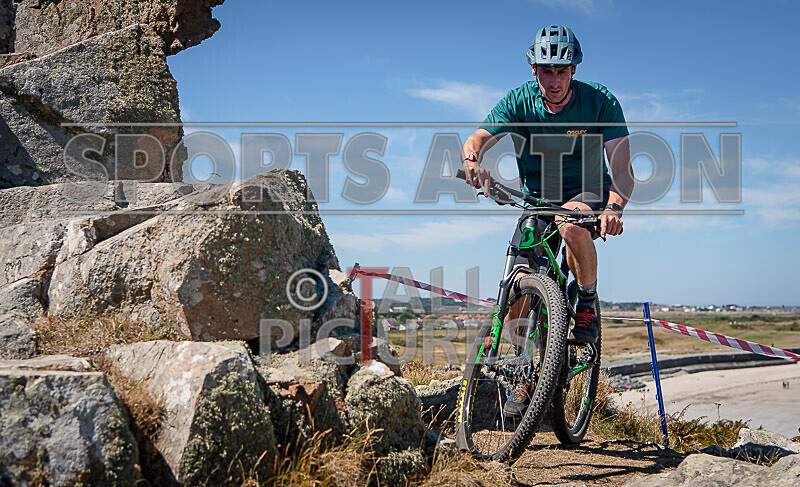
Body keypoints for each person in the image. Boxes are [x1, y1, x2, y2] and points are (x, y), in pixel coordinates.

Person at [460, 25, 633, 415]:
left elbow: (621, 166)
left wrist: (615, 206)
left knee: (571, 225)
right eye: (545, 71)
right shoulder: (519, 101)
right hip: (536, 200)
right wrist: (473, 162)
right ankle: (522, 368)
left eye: (562, 71)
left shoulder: (599, 102)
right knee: (518, 285)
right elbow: (477, 139)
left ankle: (585, 301)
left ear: (573, 70)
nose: (554, 80)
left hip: (586, 193)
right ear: (533, 69)